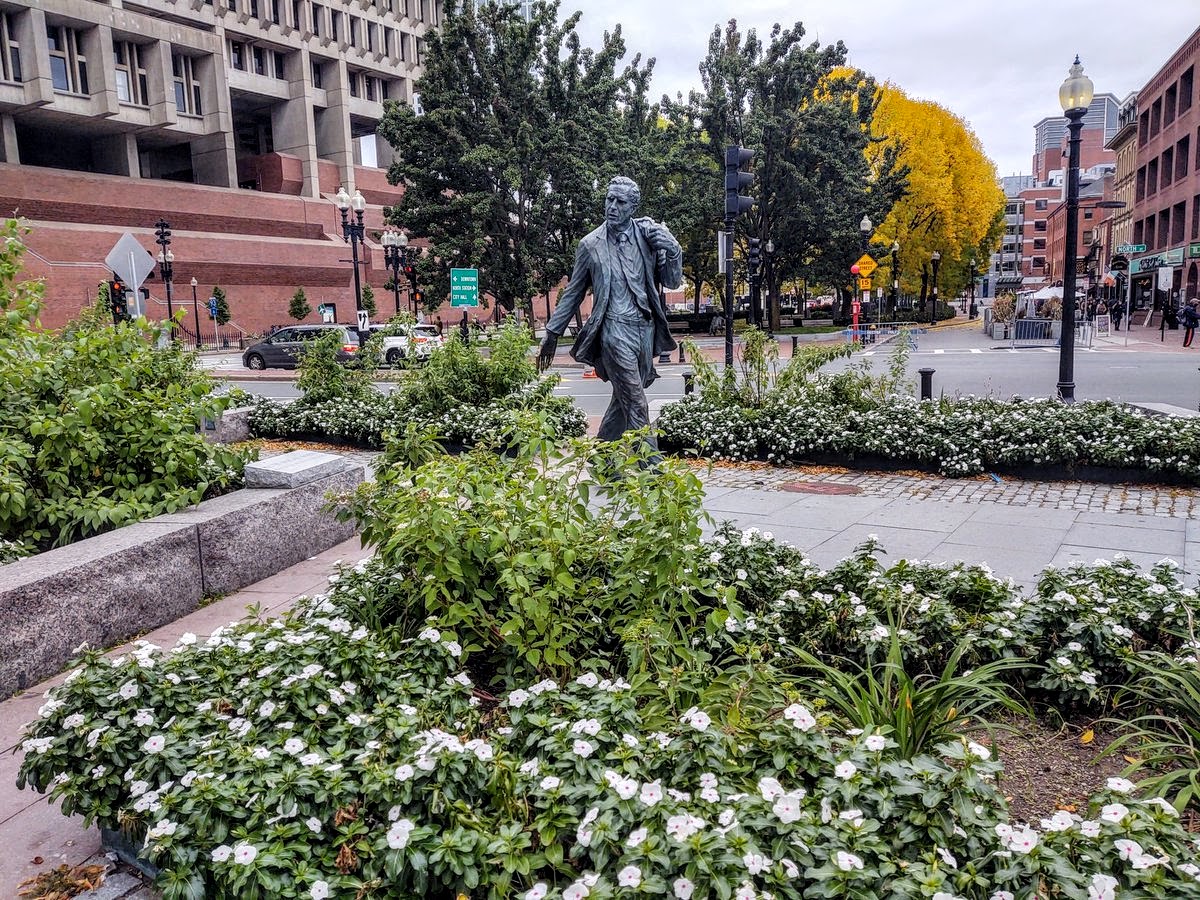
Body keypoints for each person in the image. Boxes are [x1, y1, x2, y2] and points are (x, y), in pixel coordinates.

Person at [537, 175, 682, 447]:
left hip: (645, 330)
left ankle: (601, 459)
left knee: (624, 400)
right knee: (637, 403)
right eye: (609, 199)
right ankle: (652, 472)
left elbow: (672, 281)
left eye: (620, 201)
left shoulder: (647, 236)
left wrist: (673, 249)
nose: (612, 206)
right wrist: (553, 332)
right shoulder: (590, 245)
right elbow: (574, 291)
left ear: (632, 207)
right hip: (613, 330)